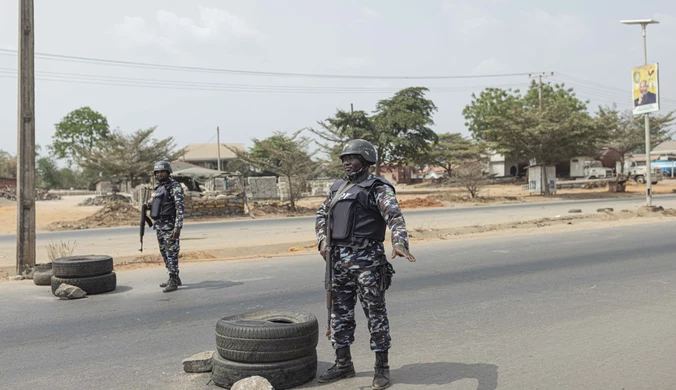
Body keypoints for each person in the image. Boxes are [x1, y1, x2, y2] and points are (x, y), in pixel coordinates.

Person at [315, 139, 416, 389]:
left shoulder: (377, 187)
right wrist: (321, 241)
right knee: (339, 314)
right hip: (337, 262)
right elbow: (321, 214)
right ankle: (343, 364)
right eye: (344, 158)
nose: (347, 162)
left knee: (375, 314)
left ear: (366, 160)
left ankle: (381, 368)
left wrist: (400, 242)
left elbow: (394, 216)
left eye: (352, 157)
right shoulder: (338, 187)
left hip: (367, 262)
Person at [148, 160, 185, 293]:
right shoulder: (158, 188)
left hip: (170, 226)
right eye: (157, 172)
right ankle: (174, 276)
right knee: (164, 252)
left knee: (171, 253)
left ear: (168, 172)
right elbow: (155, 204)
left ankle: (173, 279)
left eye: (162, 171)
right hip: (159, 226)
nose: (159, 174)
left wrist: (178, 227)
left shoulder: (175, 186)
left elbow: (179, 207)